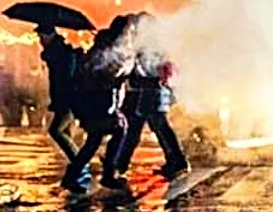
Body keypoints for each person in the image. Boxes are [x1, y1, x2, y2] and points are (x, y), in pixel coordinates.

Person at [113, 14, 189, 181]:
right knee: (154, 130)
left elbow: (148, 73)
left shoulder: (150, 49)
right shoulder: (154, 47)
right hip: (150, 96)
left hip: (150, 95)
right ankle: (176, 162)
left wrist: (134, 75)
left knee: (143, 130)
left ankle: (119, 164)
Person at [61, 17, 133, 192]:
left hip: (97, 102)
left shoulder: (105, 46)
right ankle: (108, 173)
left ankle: (74, 176)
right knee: (119, 128)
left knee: (95, 140)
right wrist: (118, 76)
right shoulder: (107, 50)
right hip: (98, 102)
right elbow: (102, 74)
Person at [37, 26, 83, 164]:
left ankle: (79, 161)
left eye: (41, 37)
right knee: (66, 132)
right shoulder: (58, 52)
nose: (40, 41)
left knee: (56, 131)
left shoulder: (59, 54)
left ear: (49, 36)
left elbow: (64, 79)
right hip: (64, 98)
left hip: (67, 98)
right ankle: (77, 161)